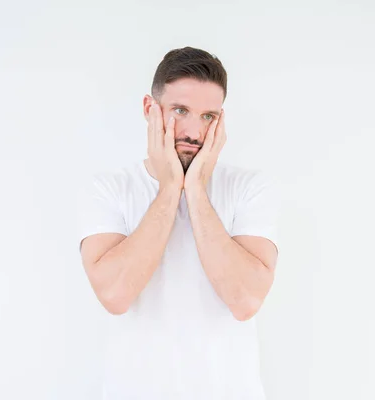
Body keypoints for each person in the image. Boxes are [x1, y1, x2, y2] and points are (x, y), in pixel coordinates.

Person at [78, 46, 280, 400]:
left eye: (207, 117)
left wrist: (197, 190)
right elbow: (115, 295)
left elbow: (245, 300)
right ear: (149, 110)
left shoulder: (250, 188)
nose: (193, 131)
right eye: (180, 111)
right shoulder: (108, 189)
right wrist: (171, 187)